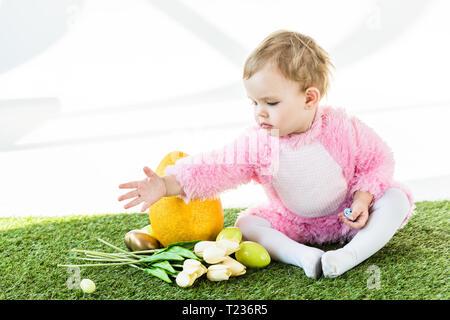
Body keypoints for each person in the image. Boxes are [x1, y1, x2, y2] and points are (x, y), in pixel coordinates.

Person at [118, 30, 415, 279]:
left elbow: (378, 161)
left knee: (396, 198)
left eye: (270, 102)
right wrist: (167, 184)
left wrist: (363, 200)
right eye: (253, 102)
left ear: (309, 98)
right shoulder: (260, 143)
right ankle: (302, 256)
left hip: (347, 217)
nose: (259, 112)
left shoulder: (341, 126)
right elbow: (216, 167)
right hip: (294, 224)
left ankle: (351, 255)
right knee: (247, 225)